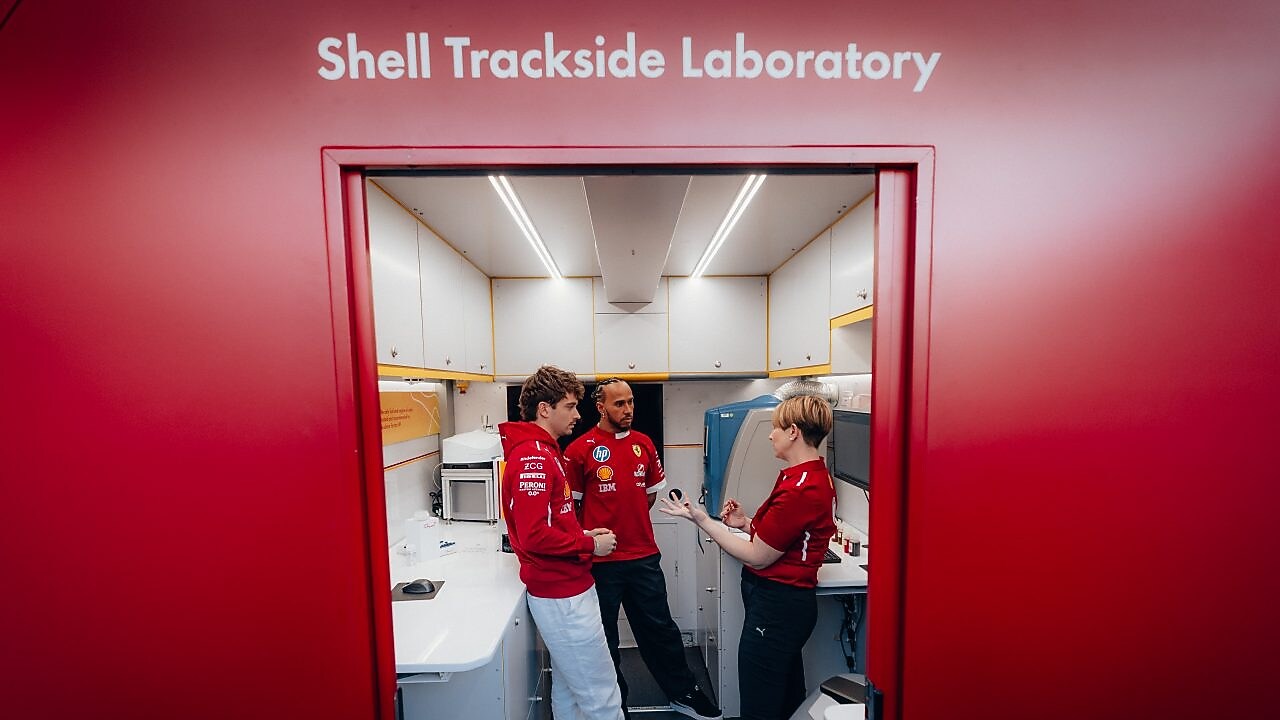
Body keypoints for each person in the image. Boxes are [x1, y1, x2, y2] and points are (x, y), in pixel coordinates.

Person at [659, 394, 837, 720]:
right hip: (783, 607)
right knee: (786, 699)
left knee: (760, 705)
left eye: (776, 428)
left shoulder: (801, 487)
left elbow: (758, 557)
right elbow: (782, 534)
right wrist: (745, 523)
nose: (771, 435)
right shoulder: (803, 476)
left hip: (778, 609)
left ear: (793, 432)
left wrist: (702, 520)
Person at [564, 378, 722, 720]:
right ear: (601, 407)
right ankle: (615, 705)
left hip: (643, 556)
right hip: (600, 562)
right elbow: (572, 509)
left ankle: (683, 693)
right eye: (619, 404)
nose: (628, 409)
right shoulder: (578, 450)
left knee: (660, 630)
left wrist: (627, 520)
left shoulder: (644, 444)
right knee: (604, 638)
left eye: (631, 401)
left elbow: (648, 496)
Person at [499, 365, 625, 720]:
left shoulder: (543, 451)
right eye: (569, 406)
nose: (577, 415)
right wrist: (589, 547)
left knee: (571, 690)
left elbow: (550, 522)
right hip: (563, 595)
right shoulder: (534, 457)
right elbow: (534, 535)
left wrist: (583, 535)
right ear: (544, 409)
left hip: (564, 588)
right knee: (602, 694)